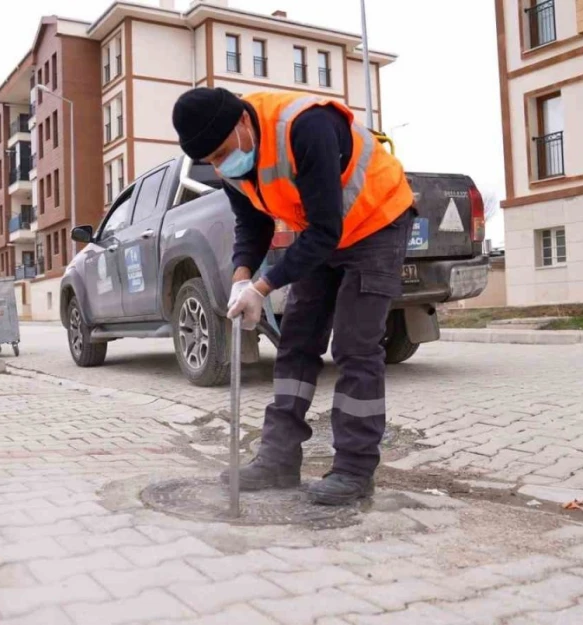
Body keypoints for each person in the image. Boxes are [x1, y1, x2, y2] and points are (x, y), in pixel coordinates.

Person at [171, 87, 414, 506]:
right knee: (296, 341)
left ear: (243, 122)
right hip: (323, 234)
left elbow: (324, 231)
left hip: (376, 221)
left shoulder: (305, 126)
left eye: (223, 152)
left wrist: (265, 287)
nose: (221, 164)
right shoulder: (229, 162)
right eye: (211, 161)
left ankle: (355, 469)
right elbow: (252, 224)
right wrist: (242, 278)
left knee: (355, 347)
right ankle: (278, 460)